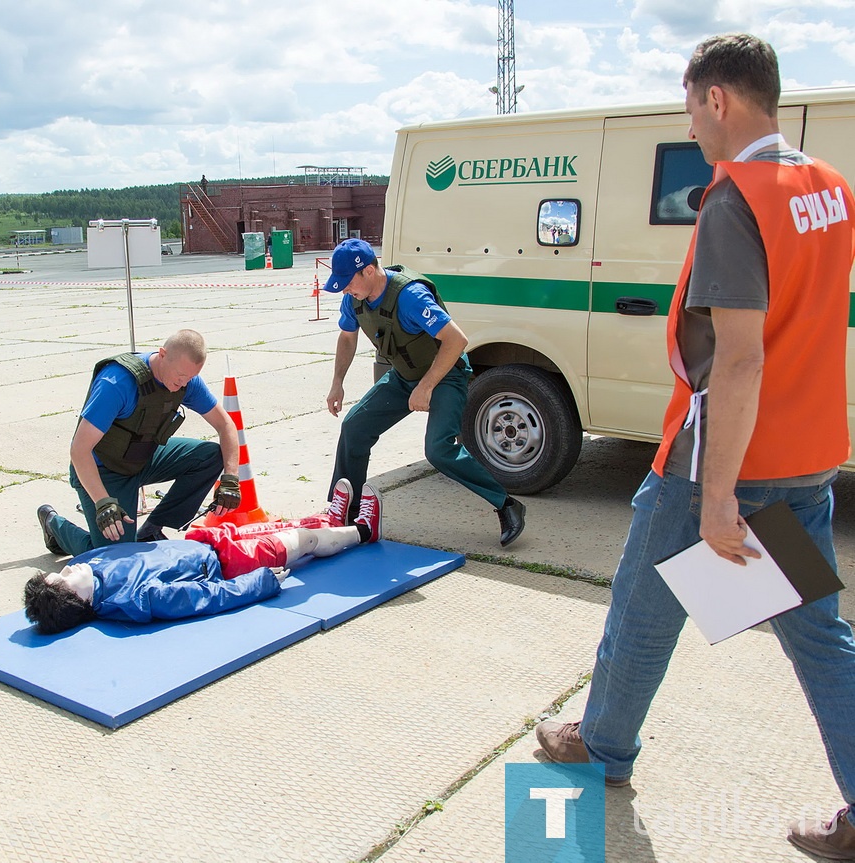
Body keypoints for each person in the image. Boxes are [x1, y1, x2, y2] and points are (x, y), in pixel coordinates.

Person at [532, 34, 855, 859]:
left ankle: (599, 746)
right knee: (819, 638)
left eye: (690, 109)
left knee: (644, 606)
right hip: (808, 450)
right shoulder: (826, 187)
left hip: (726, 462)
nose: (693, 128)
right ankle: (604, 737)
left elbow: (740, 356)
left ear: (718, 99)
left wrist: (717, 499)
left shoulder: (735, 197)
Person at [322, 238, 526, 547]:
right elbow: (347, 337)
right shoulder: (354, 299)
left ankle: (507, 505)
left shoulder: (409, 296)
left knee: (439, 450)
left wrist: (427, 387)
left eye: (348, 282)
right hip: (405, 375)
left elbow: (456, 340)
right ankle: (347, 512)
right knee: (355, 427)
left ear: (368, 270)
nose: (345, 290)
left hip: (445, 375)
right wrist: (337, 382)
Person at [24, 482, 382, 634]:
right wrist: (259, 583)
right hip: (228, 564)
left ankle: (331, 520)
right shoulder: (137, 598)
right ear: (75, 598)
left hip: (205, 542)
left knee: (277, 527)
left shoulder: (94, 565)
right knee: (301, 542)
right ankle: (363, 531)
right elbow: (206, 598)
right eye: (63, 577)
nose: (68, 566)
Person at [37, 329, 243, 557]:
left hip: (143, 458)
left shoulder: (186, 380)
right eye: (180, 375)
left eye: (191, 377)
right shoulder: (117, 383)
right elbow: (79, 450)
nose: (183, 383)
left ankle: (151, 529)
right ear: (162, 354)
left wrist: (231, 478)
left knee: (210, 456)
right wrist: (103, 503)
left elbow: (226, 425)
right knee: (114, 557)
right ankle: (55, 525)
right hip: (104, 470)